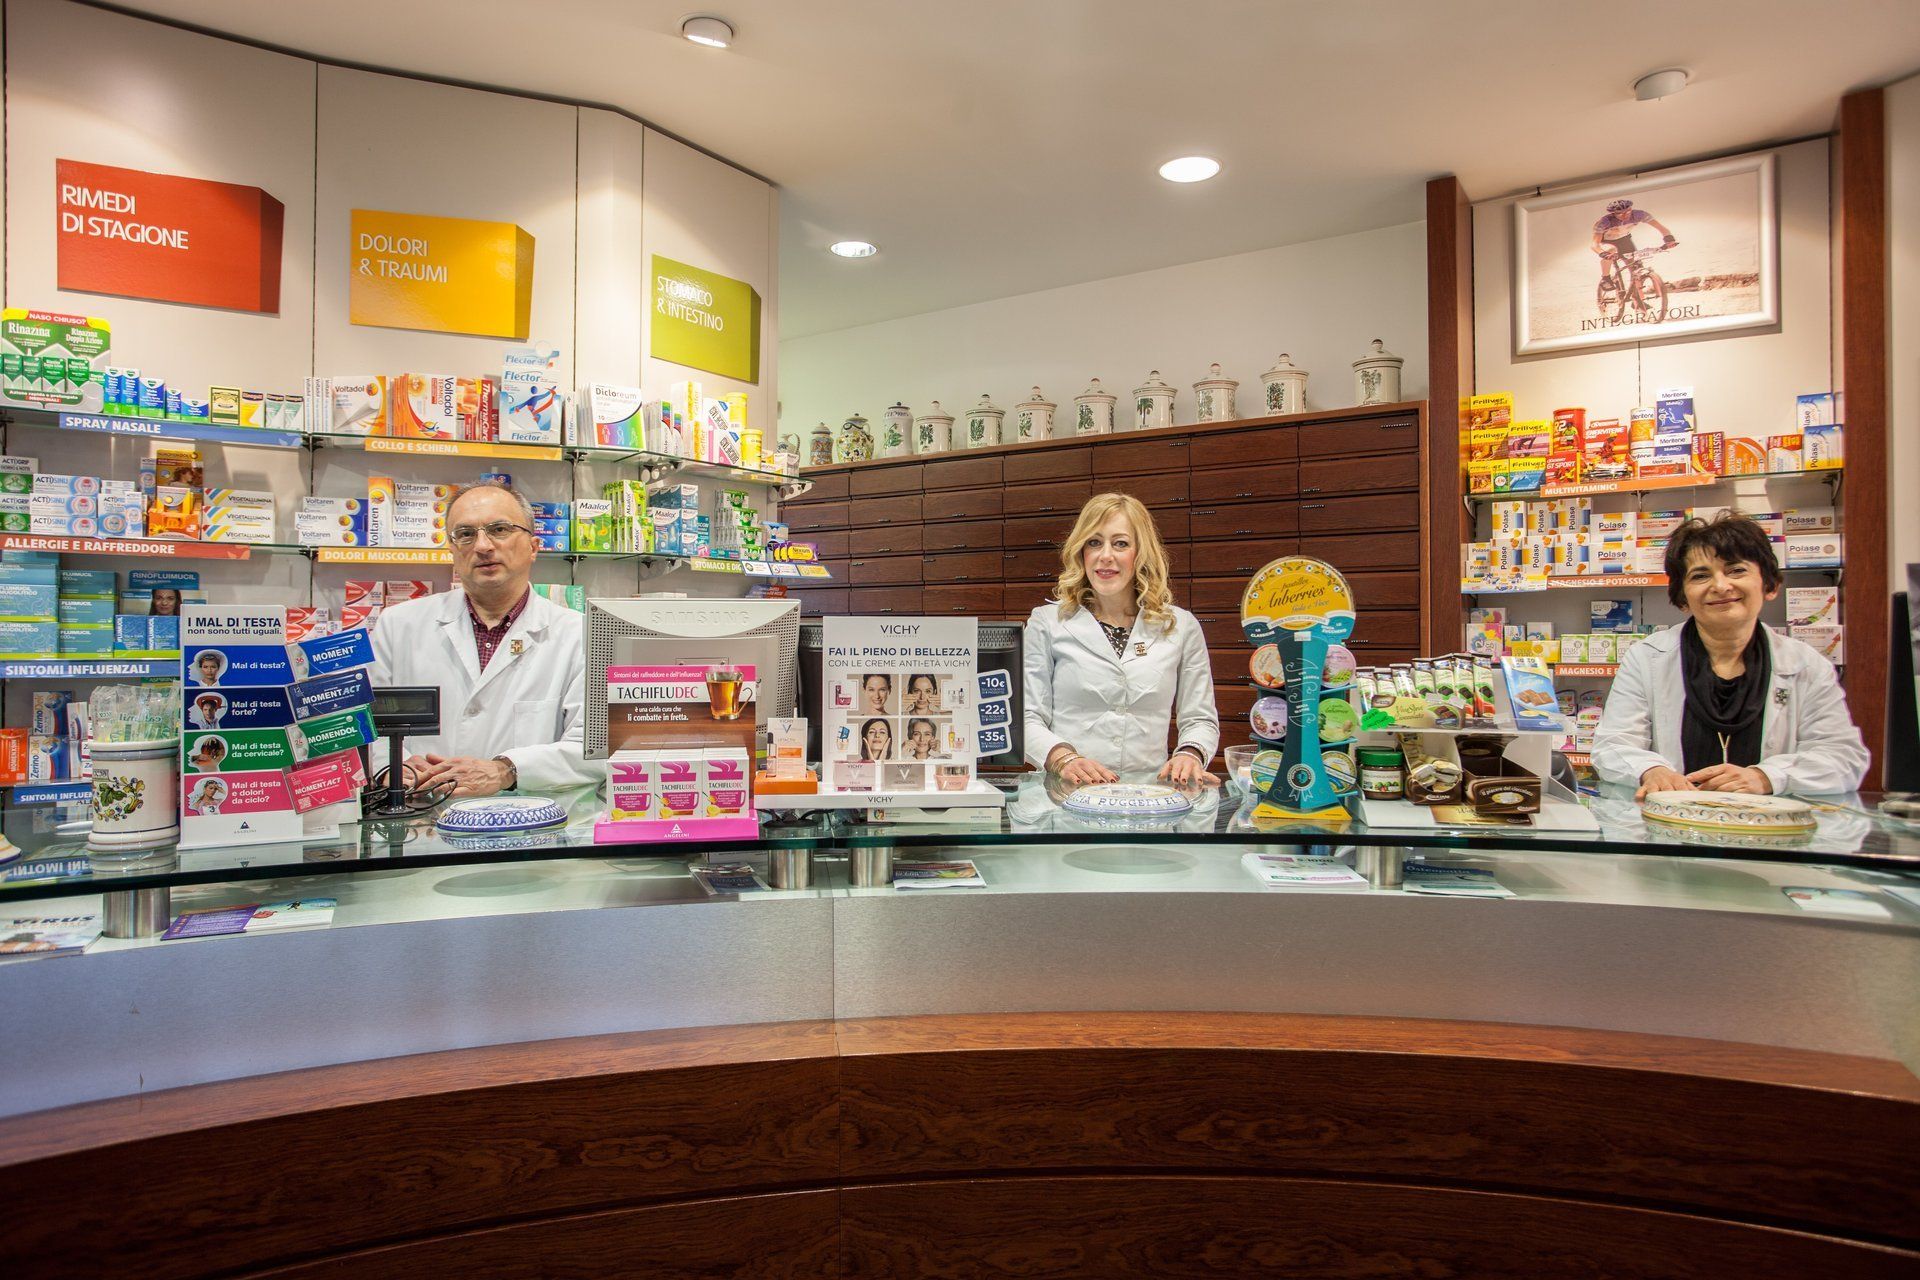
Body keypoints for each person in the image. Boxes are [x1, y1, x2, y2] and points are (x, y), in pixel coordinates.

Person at [1592, 512, 1868, 797]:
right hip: (1673, 818)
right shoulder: (1646, 658)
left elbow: (1843, 758)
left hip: (1767, 822)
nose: (1721, 586)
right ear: (1683, 597)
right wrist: (1651, 770)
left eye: (1736, 570)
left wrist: (1767, 777)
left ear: (1769, 584)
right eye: (1700, 576)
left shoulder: (1806, 665)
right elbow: (1612, 746)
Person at [367, 480, 599, 799]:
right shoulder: (398, 624)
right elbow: (366, 727)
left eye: (499, 529)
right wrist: (392, 767)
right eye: (465, 534)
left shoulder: (580, 634)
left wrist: (507, 770)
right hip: (421, 813)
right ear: (452, 551)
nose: (483, 546)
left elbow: (592, 749)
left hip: (530, 818)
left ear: (533, 547)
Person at [1024, 492, 1219, 784]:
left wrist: (1190, 754)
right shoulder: (1048, 622)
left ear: (1141, 553)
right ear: (1081, 551)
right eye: (1094, 542)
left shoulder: (1180, 626)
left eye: (1120, 544)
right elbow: (1027, 718)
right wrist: (1063, 758)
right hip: (1066, 794)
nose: (1106, 555)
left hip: (1147, 795)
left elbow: (1200, 718)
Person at [1591, 196, 1677, 285]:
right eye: (1620, 213)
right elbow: (1594, 244)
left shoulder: (1639, 215)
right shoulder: (1604, 222)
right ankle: (1606, 278)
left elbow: (1662, 229)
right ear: (1613, 214)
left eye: (1628, 211)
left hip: (1624, 240)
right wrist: (1603, 253)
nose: (1625, 215)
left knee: (1635, 269)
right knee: (1611, 250)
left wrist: (1669, 240)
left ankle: (1637, 292)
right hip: (1607, 242)